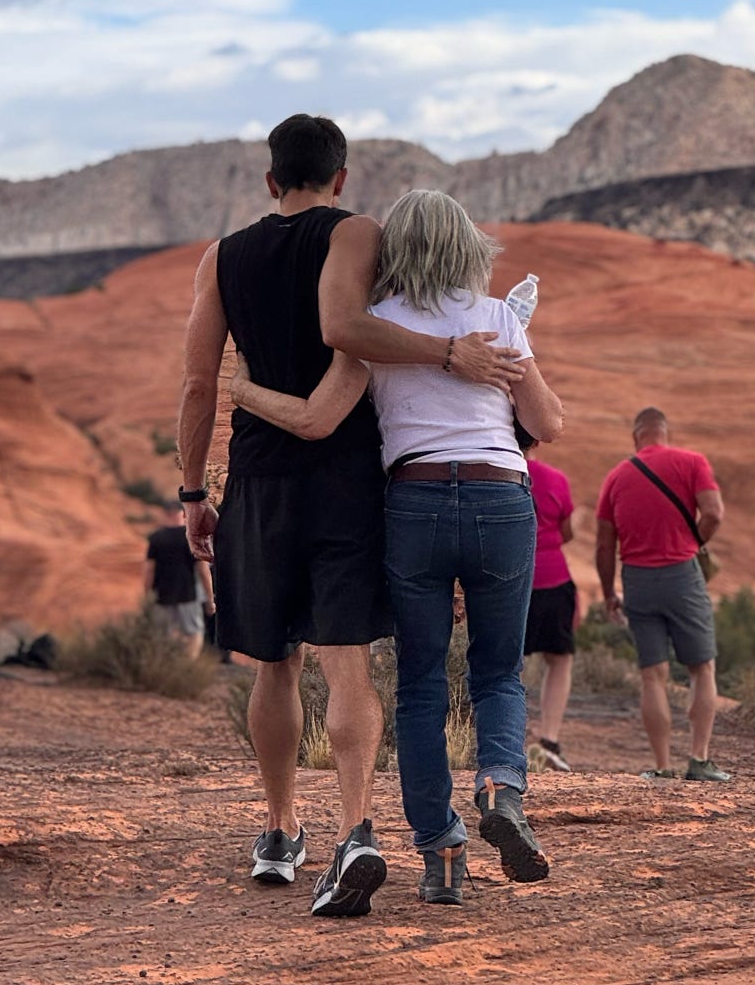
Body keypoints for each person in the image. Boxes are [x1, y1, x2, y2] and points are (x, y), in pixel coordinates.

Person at [177, 117, 524, 922]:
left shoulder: (221, 258)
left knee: (271, 661)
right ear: (340, 177)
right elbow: (358, 329)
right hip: (346, 479)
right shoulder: (358, 234)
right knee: (346, 664)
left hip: (261, 478)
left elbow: (199, 383)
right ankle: (356, 830)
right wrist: (450, 357)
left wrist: (193, 493)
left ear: (271, 181)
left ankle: (278, 829)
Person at [231, 188, 564, 906]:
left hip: (413, 503)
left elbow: (320, 419)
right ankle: (501, 789)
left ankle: (441, 856)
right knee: (499, 673)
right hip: (500, 496)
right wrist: (511, 367)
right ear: (468, 246)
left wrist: (246, 392)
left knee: (419, 687)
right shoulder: (496, 316)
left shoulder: (375, 326)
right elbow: (547, 420)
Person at [595, 407, 730, 783]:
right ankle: (699, 760)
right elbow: (714, 514)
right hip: (681, 576)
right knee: (701, 668)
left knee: (652, 675)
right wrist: (693, 542)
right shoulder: (691, 462)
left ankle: (662, 766)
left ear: (636, 436)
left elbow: (605, 546)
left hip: (637, 579)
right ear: (664, 433)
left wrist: (609, 593)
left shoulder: (617, 477)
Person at [524, 448, 577, 772]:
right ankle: (549, 740)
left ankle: (505, 741)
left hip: (510, 581)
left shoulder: (490, 472)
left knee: (505, 663)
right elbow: (567, 531)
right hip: (554, 579)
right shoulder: (556, 480)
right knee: (559, 660)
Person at [143, 500, 213, 658]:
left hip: (161, 596)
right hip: (188, 595)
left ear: (166, 514)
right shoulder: (190, 537)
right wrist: (209, 598)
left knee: (162, 636)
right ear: (184, 514)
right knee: (194, 633)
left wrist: (147, 596)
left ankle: (166, 667)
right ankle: (188, 666)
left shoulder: (155, 538)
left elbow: (149, 570)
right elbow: (202, 570)